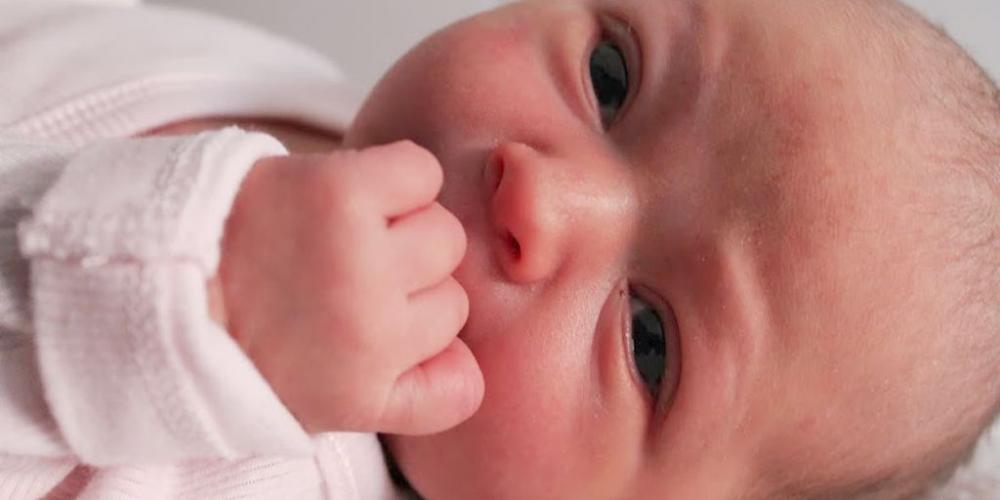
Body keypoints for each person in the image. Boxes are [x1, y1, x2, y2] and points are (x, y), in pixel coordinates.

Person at [1, 0, 997, 499]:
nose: (544, 199)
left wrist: (197, 308)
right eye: (611, 77)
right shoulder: (283, 87)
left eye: (649, 342)